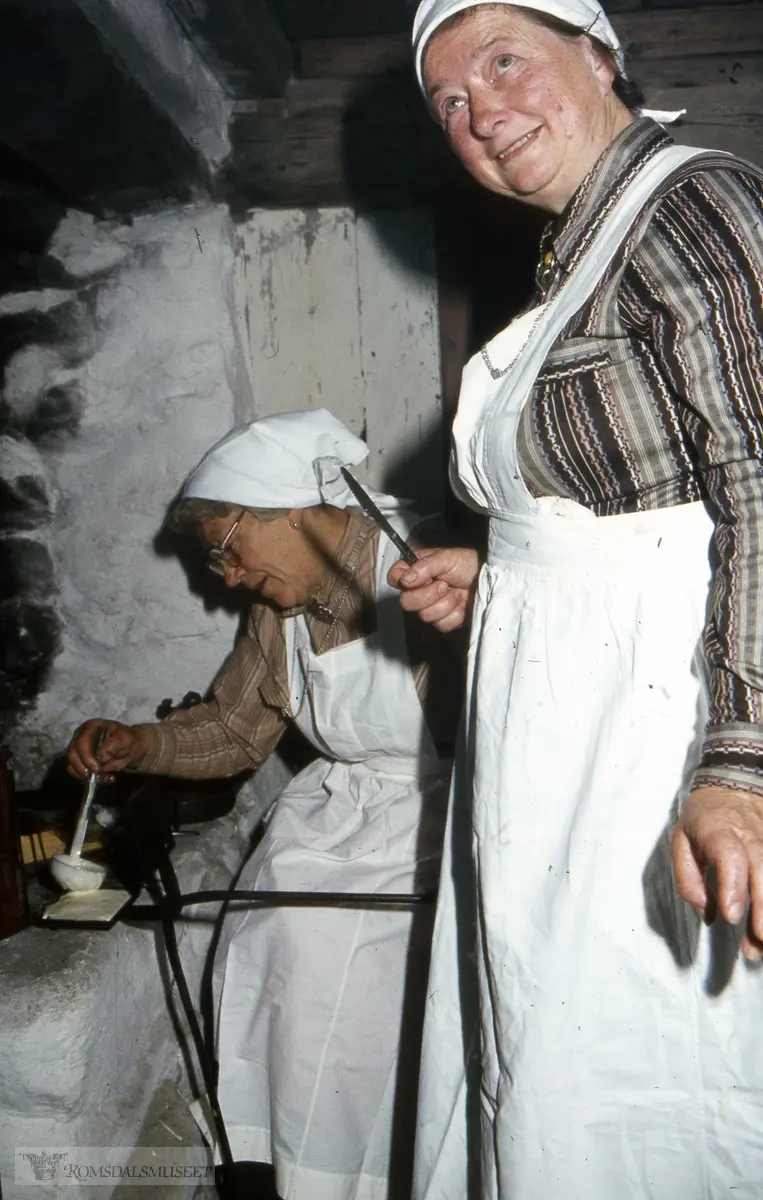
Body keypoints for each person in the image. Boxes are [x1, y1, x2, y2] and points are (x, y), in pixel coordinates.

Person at [388, 2, 763, 1196]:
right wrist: (504, 574)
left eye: (506, 63)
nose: (480, 110)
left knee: (648, 1072)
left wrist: (742, 769)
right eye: (448, 100)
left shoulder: (692, 206)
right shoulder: (582, 251)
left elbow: (758, 489)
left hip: (651, 742)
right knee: (552, 1062)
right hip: (569, 741)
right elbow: (641, 507)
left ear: (599, 58)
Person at [66, 409, 461, 1200]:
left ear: (284, 510)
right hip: (341, 807)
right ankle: (284, 1170)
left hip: (445, 809)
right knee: (262, 944)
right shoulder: (279, 609)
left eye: (225, 548)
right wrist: (139, 745)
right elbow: (234, 729)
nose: (227, 575)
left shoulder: (422, 567)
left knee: (370, 992)